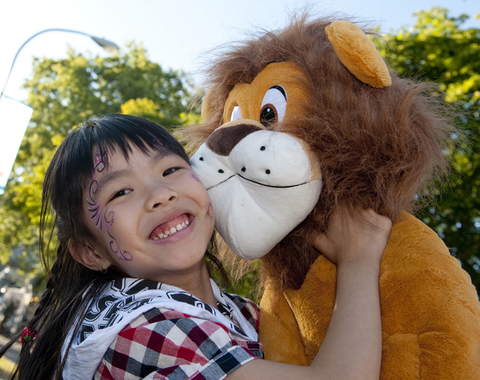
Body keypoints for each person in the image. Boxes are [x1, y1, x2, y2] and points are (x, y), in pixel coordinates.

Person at [0, 114, 391, 380]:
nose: (161, 194)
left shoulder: (240, 311)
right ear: (91, 253)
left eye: (170, 170)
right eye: (121, 192)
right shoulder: (142, 327)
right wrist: (359, 259)